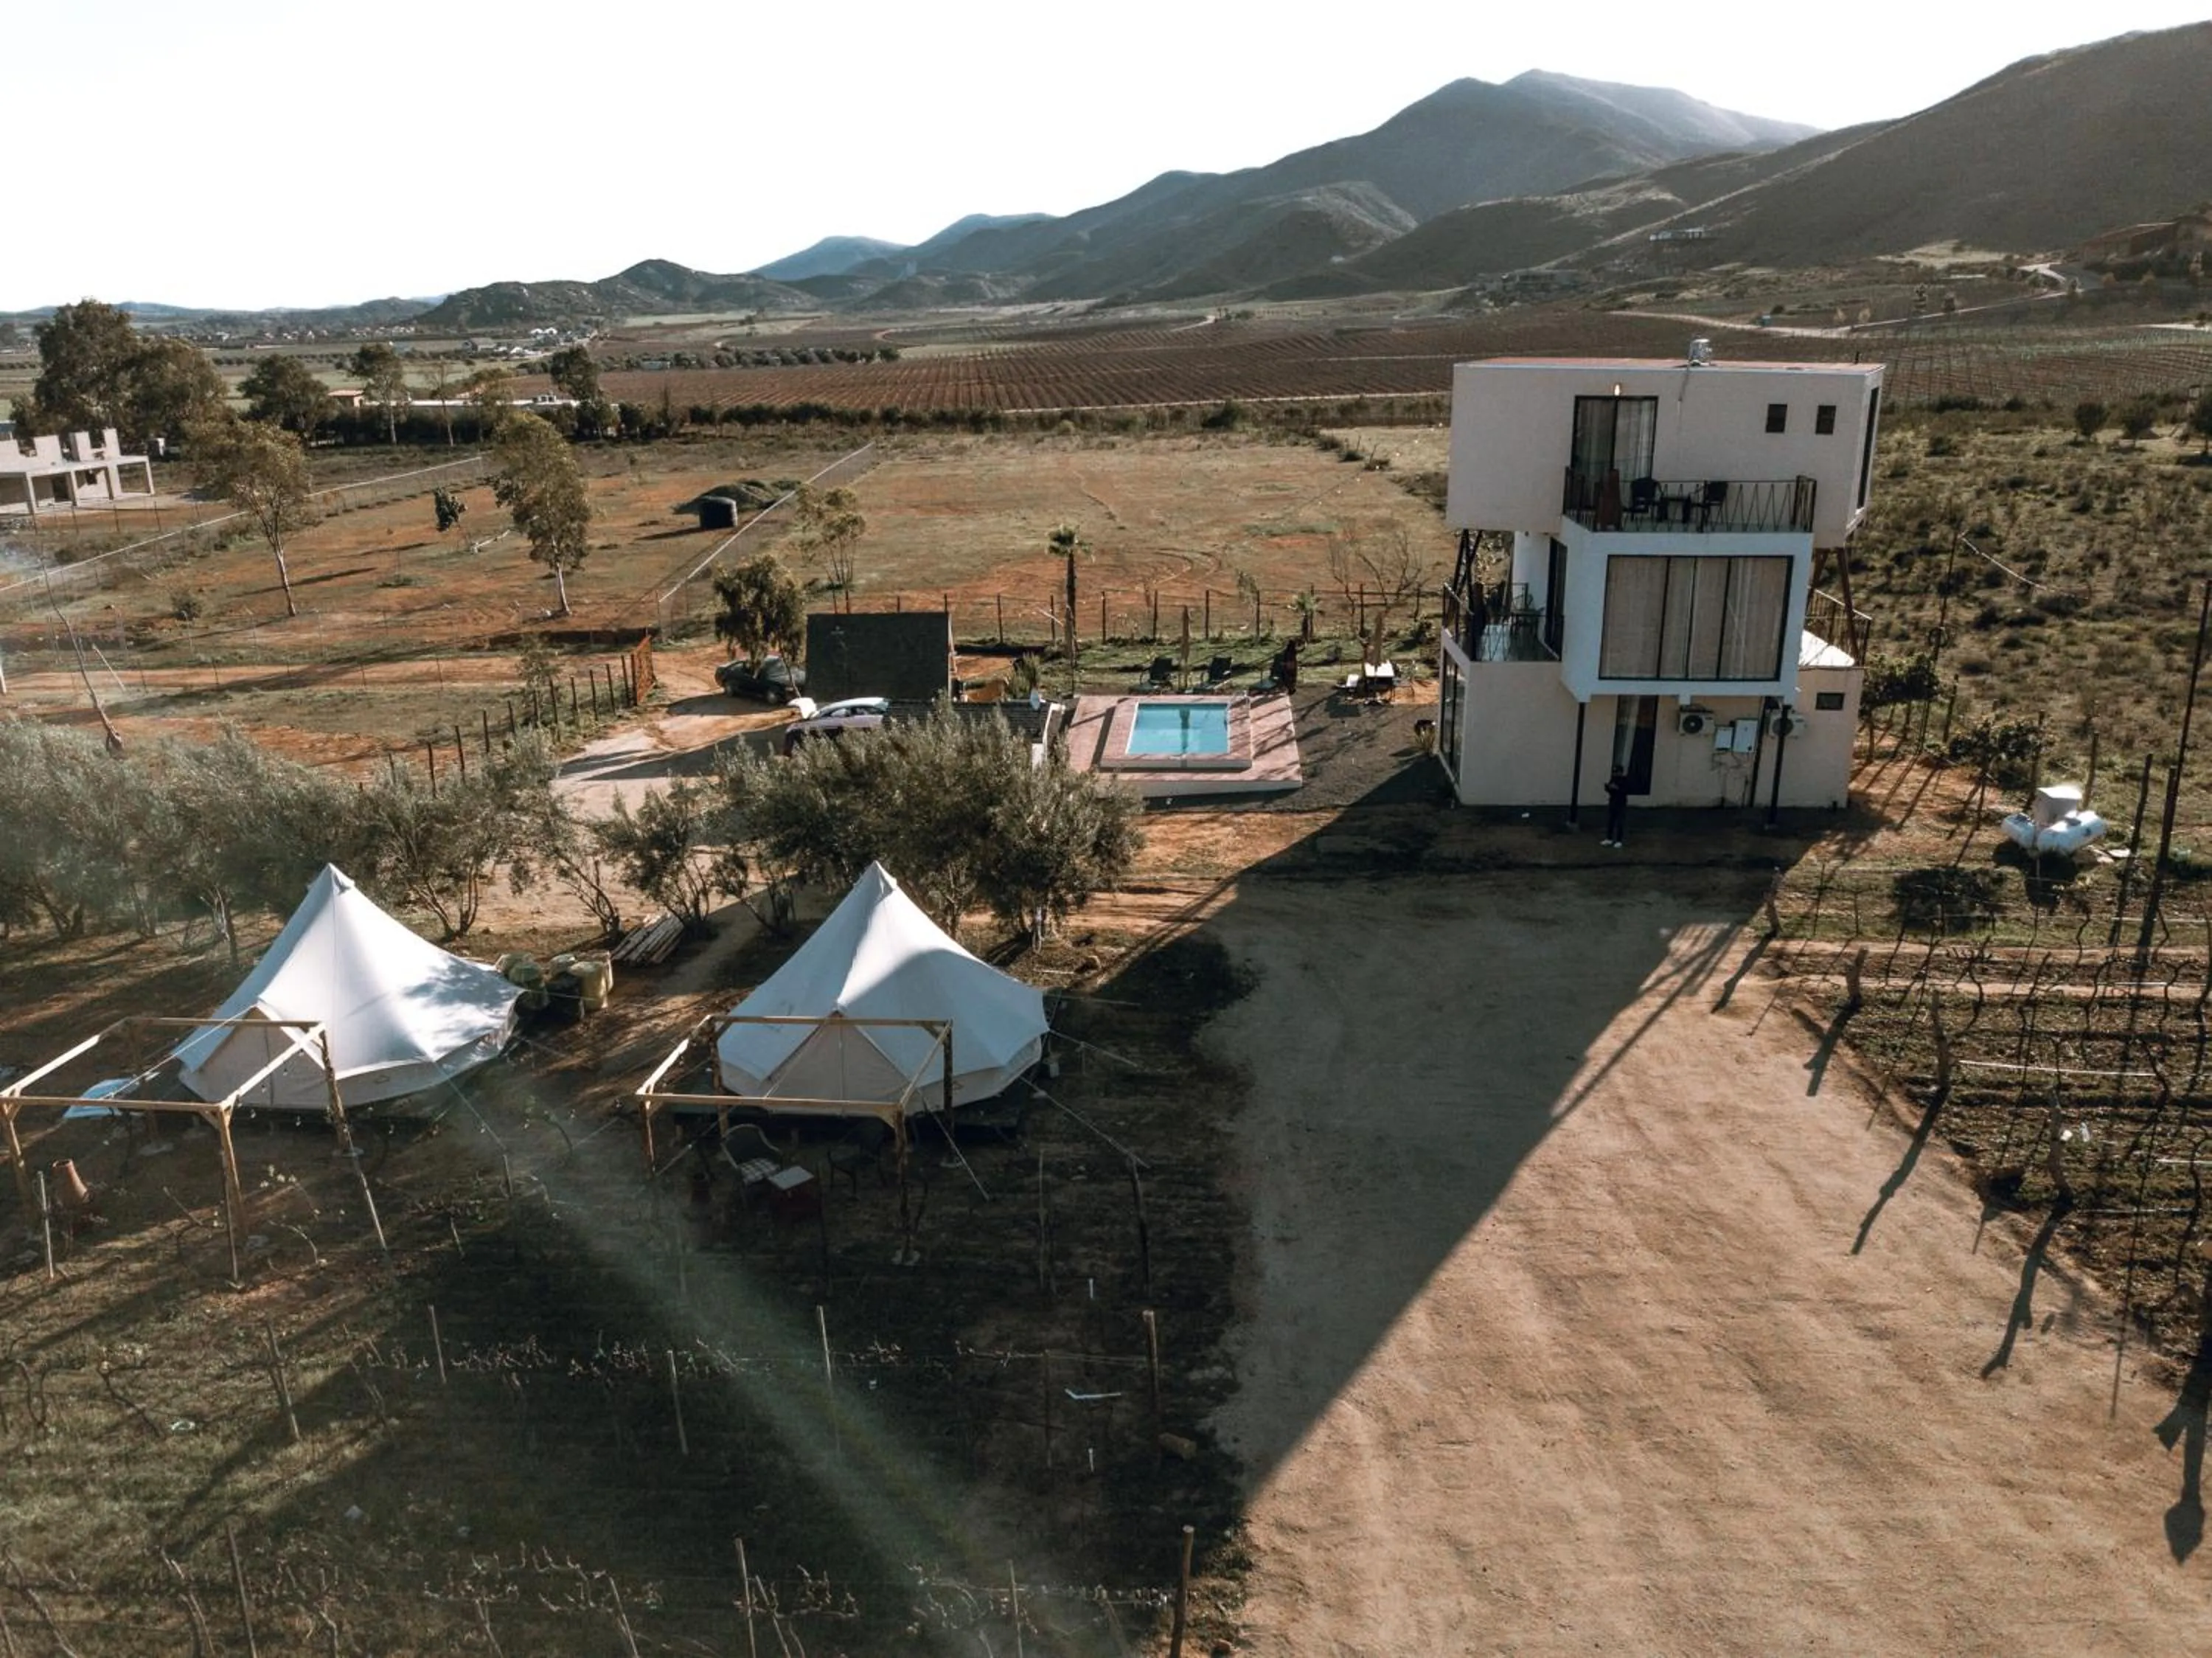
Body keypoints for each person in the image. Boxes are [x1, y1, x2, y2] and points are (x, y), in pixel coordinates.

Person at [1602, 766, 1631, 847]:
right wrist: (1608, 788)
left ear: (1621, 772)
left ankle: (1619, 840)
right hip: (1613, 802)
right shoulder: (1613, 779)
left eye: (1617, 772)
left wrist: (1617, 788)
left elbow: (1626, 791)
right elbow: (1610, 790)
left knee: (1620, 822)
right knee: (1611, 821)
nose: (1615, 774)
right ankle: (1609, 838)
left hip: (1621, 803)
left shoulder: (1625, 780)